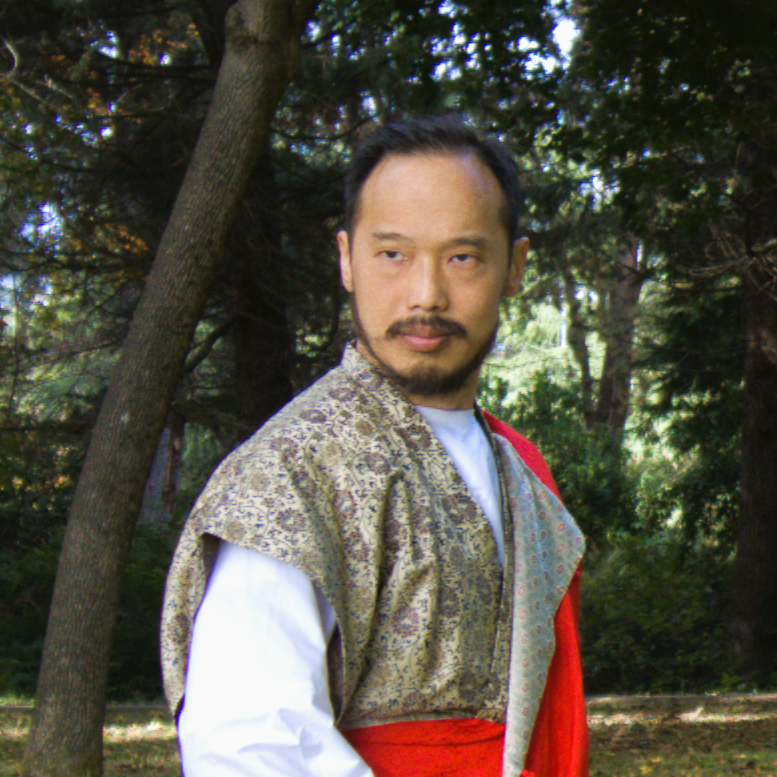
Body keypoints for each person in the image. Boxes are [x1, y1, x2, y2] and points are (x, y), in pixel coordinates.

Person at [161, 115, 589, 777]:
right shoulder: (292, 471)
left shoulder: (520, 467)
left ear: (515, 266)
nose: (426, 294)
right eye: (392, 253)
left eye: (462, 257)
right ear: (345, 260)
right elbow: (249, 746)